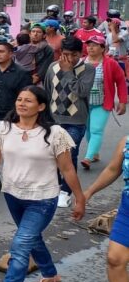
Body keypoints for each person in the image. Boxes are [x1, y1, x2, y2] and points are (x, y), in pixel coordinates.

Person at [0, 86, 85, 282]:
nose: (22, 104)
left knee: (20, 245)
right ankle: (50, 275)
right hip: (12, 194)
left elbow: (67, 169)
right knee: (31, 239)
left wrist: (79, 198)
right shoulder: (3, 128)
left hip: (43, 198)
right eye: (19, 99)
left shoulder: (55, 134)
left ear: (41, 106)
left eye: (28, 100)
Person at [43, 37, 95, 208]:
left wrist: (68, 71)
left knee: (69, 155)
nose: (70, 59)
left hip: (76, 121)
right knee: (52, 156)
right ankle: (55, 186)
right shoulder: (52, 67)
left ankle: (66, 191)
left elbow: (81, 91)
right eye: (66, 55)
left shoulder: (87, 69)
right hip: (54, 120)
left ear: (81, 53)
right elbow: (48, 93)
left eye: (74, 55)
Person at [0, 42, 33, 191]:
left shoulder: (21, 73)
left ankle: (18, 179)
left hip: (14, 116)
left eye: (1, 51)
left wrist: (26, 119)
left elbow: (27, 97)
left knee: (14, 150)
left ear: (11, 54)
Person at [83, 134, 129, 282]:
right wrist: (89, 191)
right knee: (115, 259)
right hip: (128, 207)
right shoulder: (126, 142)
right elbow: (112, 169)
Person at [80, 35, 127, 169]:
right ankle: (94, 152)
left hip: (102, 103)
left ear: (102, 48)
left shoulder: (111, 63)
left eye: (94, 45)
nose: (90, 48)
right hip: (84, 103)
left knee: (96, 129)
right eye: (89, 45)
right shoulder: (81, 62)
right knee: (88, 130)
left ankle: (88, 158)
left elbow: (121, 82)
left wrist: (122, 101)